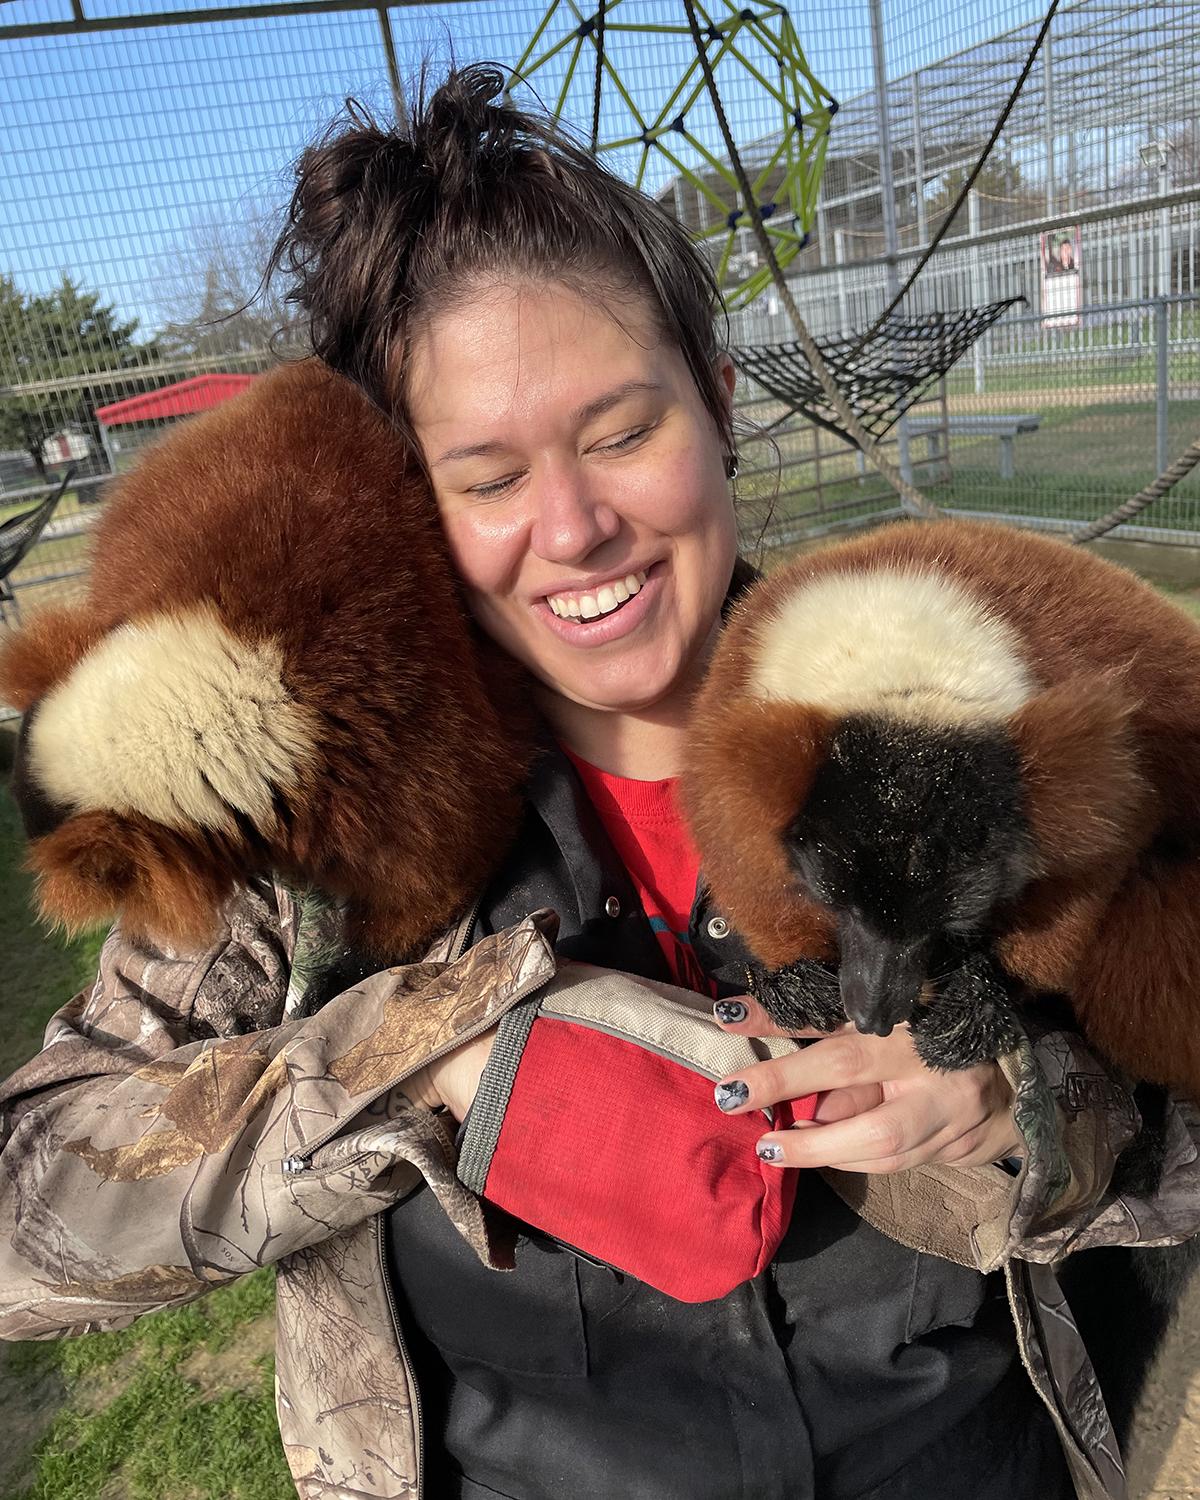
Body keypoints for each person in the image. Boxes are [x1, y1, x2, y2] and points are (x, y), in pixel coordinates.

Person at [1, 64, 1197, 1500]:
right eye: (487, 476)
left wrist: (1029, 1109)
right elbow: (29, 1210)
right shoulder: (319, 848)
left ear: (720, 404)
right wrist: (422, 1074)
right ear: (411, 503)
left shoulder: (943, 712)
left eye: (623, 433)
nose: (571, 526)